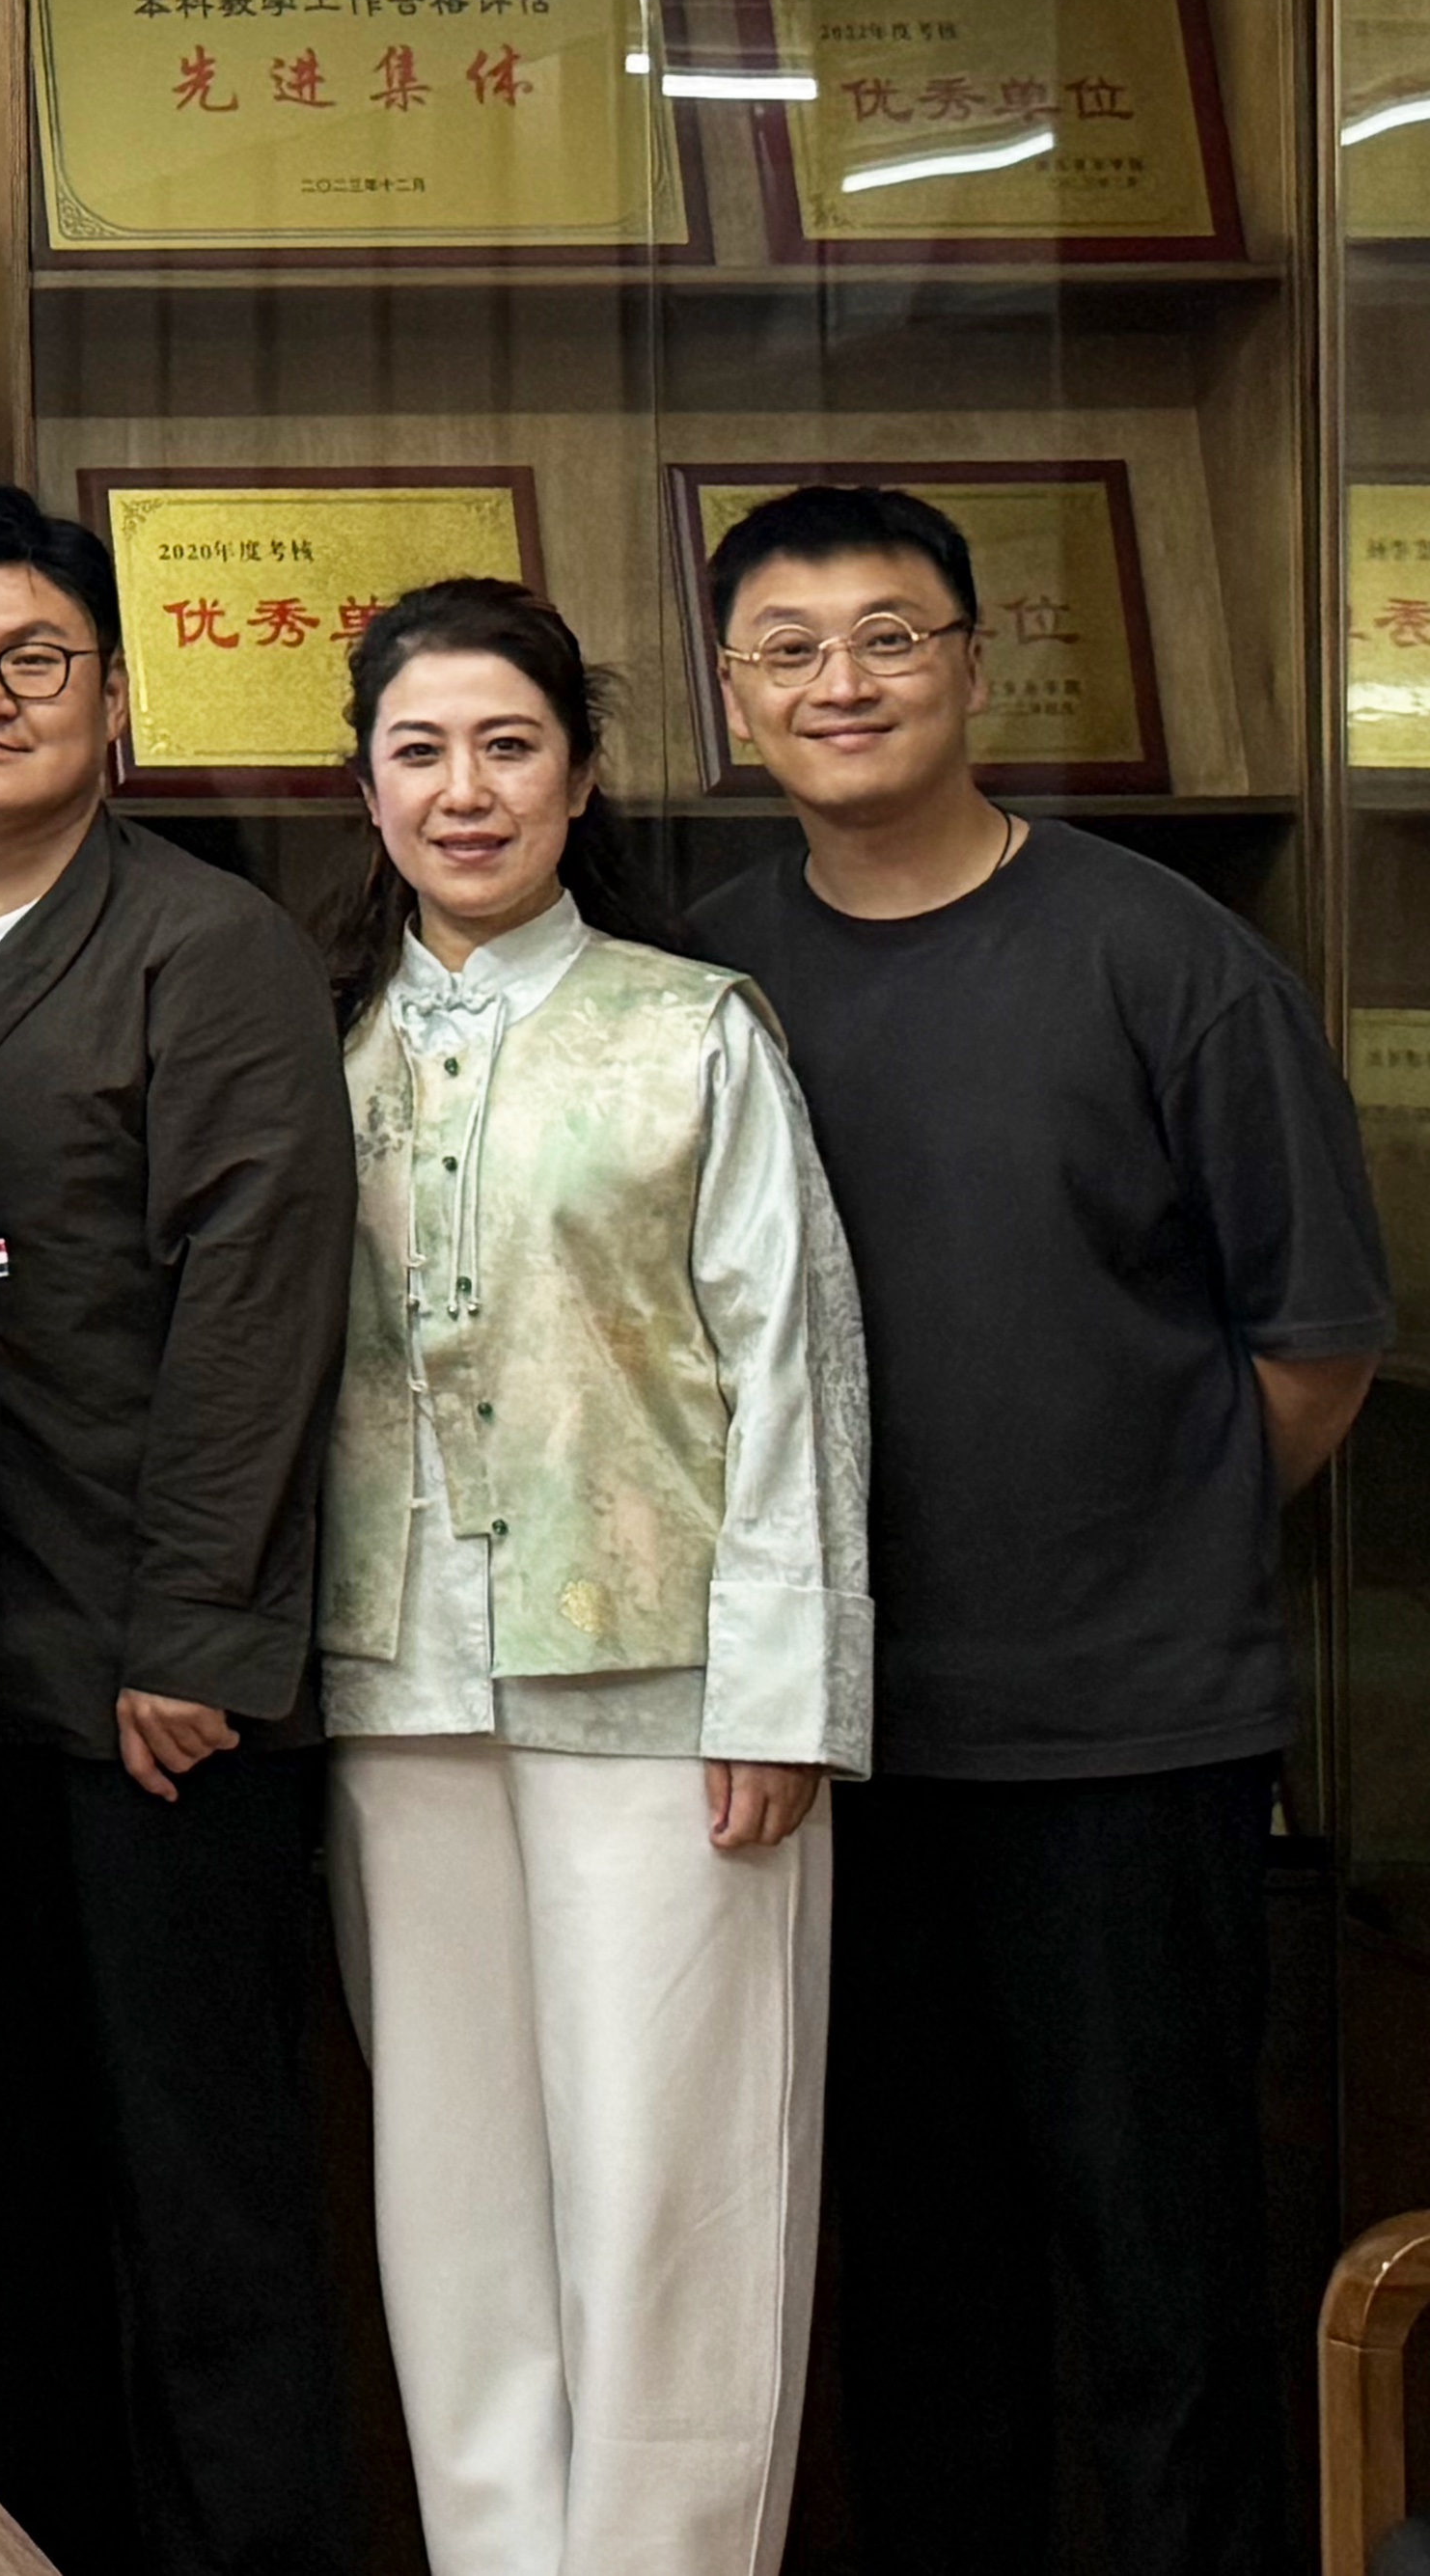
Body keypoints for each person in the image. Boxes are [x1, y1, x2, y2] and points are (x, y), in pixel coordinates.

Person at [688, 483, 1385, 2576]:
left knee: (1166, 2285)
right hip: (831, 1755)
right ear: (733, 696)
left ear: (977, 667)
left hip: (1126, 1750)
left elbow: (1316, 1346)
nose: (843, 682)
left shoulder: (1167, 959)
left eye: (890, 636)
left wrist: (1137, 1543)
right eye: (791, 648)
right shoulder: (702, 979)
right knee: (916, 2296)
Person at [0, 493, 360, 2574]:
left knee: (203, 2219)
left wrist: (198, 1637)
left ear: (116, 699)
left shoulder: (207, 950)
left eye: (34, 659)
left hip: (141, 1701)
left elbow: (258, 1311)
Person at [313, 576, 866, 2576]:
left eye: (508, 746)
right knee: (449, 2203)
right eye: (421, 751)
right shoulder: (320, 1048)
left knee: (671, 2196)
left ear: (582, 772)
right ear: (366, 788)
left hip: (668, 1691)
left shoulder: (689, 1030)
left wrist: (785, 1695)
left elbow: (797, 1372)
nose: (464, 792)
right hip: (395, 1680)